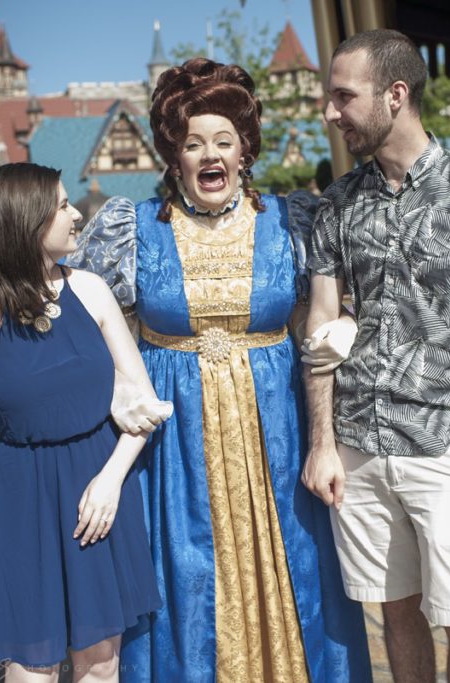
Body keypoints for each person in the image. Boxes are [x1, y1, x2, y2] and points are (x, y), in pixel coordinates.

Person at [66, 58, 372, 682]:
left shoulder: (293, 222)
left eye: (223, 142)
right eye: (192, 143)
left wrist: (344, 327)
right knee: (186, 576)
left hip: (278, 441)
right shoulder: (132, 231)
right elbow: (85, 329)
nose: (210, 155)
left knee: (299, 576)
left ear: (244, 152)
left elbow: (345, 305)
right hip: (174, 452)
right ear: (173, 155)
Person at [303, 30, 450, 682]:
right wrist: (323, 439)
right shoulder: (337, 204)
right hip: (360, 445)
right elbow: (322, 322)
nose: (330, 111)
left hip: (446, 445)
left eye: (343, 96)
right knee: (397, 612)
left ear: (395, 94)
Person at [0, 162, 170, 681]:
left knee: (101, 665)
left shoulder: (92, 291)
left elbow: (145, 401)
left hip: (99, 495)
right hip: (20, 505)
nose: (77, 216)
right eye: (63, 206)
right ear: (26, 222)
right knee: (33, 668)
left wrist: (112, 480)